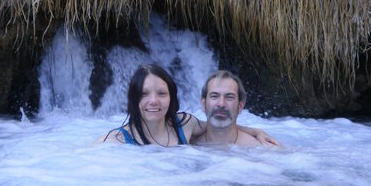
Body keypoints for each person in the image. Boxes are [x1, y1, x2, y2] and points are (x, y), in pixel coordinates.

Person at [95, 64, 279, 146]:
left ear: (171, 98)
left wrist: (256, 131)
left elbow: (219, 123)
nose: (153, 101)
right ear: (134, 99)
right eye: (144, 94)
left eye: (161, 94)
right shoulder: (116, 141)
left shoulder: (184, 125)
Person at [192, 69, 279, 146]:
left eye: (229, 97)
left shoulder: (261, 148)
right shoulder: (187, 146)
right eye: (214, 96)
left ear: (240, 107)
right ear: (203, 104)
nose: (221, 104)